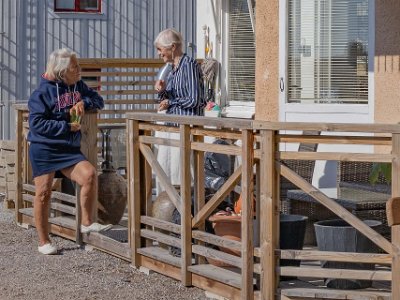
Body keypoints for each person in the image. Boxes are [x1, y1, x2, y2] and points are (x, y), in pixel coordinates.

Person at [28, 48, 111, 255]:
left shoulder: (76, 85)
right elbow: (37, 124)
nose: (80, 70)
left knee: (89, 175)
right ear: (62, 71)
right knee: (43, 193)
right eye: (76, 67)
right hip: (44, 147)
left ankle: (87, 223)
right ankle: (44, 241)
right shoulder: (41, 93)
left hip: (68, 149)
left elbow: (99, 100)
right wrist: (66, 126)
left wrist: (84, 101)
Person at [153, 29, 205, 193]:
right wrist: (162, 92)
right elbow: (168, 99)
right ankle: (167, 208)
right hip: (173, 126)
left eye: (160, 49)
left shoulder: (188, 65)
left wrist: (170, 101)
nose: (159, 53)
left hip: (186, 127)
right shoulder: (171, 69)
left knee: (181, 172)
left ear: (173, 47)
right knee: (166, 169)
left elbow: (195, 99)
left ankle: (184, 211)